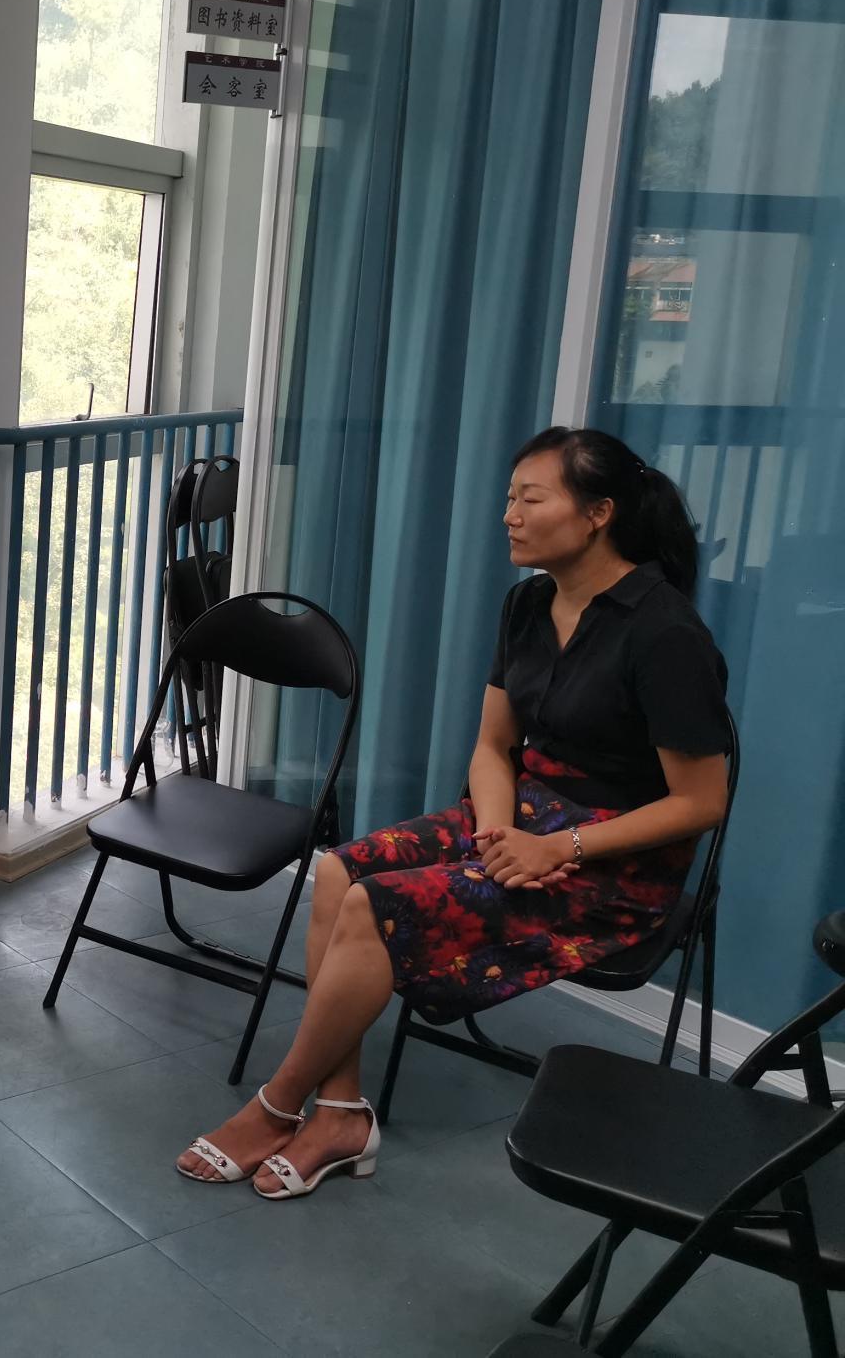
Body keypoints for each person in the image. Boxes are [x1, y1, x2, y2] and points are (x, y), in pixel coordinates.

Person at [177, 427, 731, 1199]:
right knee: (338, 873)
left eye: (530, 499)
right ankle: (339, 1112)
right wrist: (499, 835)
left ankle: (277, 1104)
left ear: (598, 513)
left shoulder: (664, 632)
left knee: (374, 904)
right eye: (509, 498)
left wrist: (558, 847)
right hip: (519, 822)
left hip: (613, 867)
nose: (509, 515)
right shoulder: (529, 604)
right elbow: (493, 748)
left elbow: (702, 802)